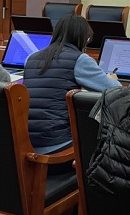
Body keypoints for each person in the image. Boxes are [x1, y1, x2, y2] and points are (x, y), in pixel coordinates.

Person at [24, 14, 121, 154]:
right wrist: (111, 78)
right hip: (57, 141)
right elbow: (116, 90)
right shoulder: (79, 59)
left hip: (28, 140)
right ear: (81, 38)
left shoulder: (31, 58)